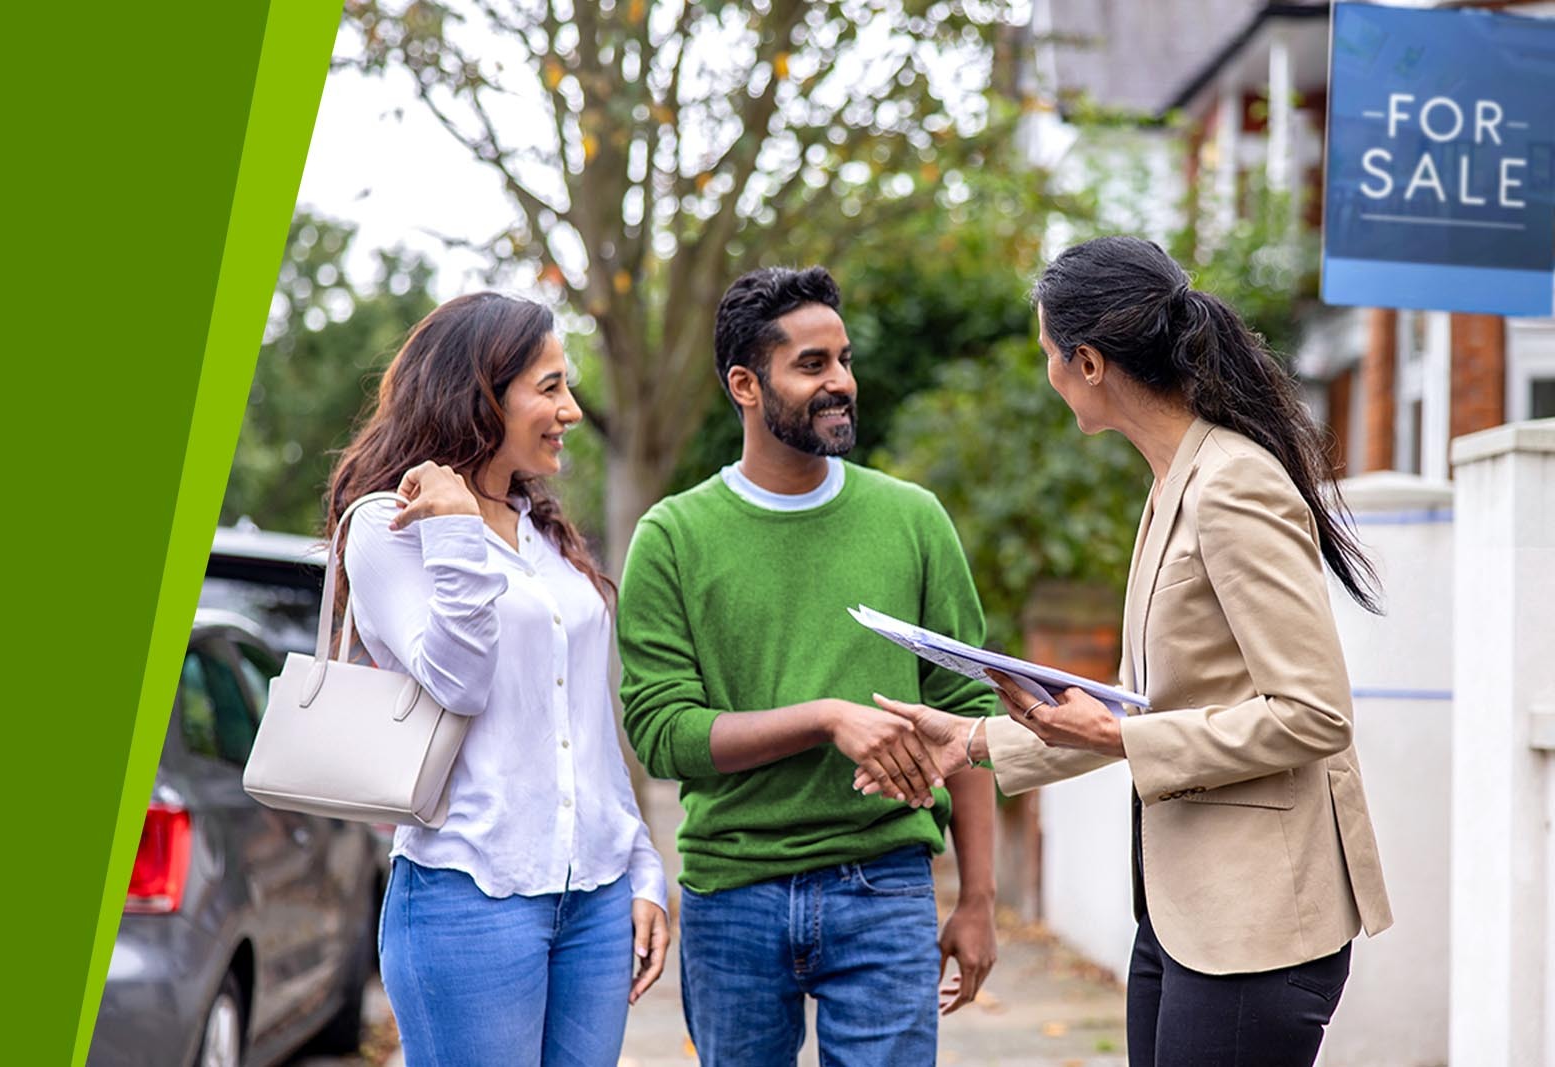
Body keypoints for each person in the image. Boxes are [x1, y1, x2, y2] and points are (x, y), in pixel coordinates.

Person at [866, 236, 1393, 1067]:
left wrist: (1118, 735)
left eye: (1049, 354)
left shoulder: (1234, 483)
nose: (1048, 375)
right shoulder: (1174, 480)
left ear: (1088, 362)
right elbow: (1144, 709)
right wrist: (968, 742)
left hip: (1257, 927)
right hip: (1185, 913)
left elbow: (1313, 714)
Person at [616, 266, 999, 1066]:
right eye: (813, 364)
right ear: (745, 385)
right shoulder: (673, 537)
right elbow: (662, 733)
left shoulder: (914, 521)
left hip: (885, 883)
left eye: (844, 360)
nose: (841, 383)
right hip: (732, 892)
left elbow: (968, 717)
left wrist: (978, 898)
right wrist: (825, 718)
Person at [326, 292, 670, 1066]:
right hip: (469, 891)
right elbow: (460, 681)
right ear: (481, 394)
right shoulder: (389, 524)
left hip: (597, 894)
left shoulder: (542, 529)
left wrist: (643, 865)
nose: (571, 409)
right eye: (550, 386)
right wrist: (455, 529)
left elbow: (586, 722)